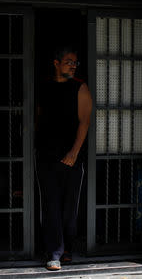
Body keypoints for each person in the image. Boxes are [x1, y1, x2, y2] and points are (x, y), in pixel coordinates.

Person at [36, 46, 92, 271]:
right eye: (68, 61)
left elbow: (84, 122)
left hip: (72, 158)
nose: (72, 65)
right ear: (56, 63)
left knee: (69, 207)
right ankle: (55, 253)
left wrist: (74, 152)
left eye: (75, 62)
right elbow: (38, 116)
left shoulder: (80, 88)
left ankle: (67, 248)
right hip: (47, 154)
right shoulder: (45, 86)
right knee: (50, 205)